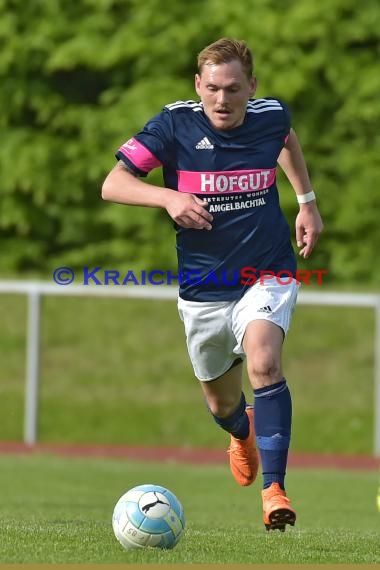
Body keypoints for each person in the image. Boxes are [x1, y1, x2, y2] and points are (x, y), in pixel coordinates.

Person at [102, 37, 323, 531]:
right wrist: (167, 198)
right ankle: (240, 431)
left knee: (265, 361)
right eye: (213, 89)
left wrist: (306, 201)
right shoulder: (174, 123)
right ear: (197, 86)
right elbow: (112, 184)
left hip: (266, 270)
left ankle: (275, 491)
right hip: (203, 288)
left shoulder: (270, 114)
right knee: (222, 404)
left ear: (252, 88)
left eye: (234, 89)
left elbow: (284, 136)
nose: (222, 100)